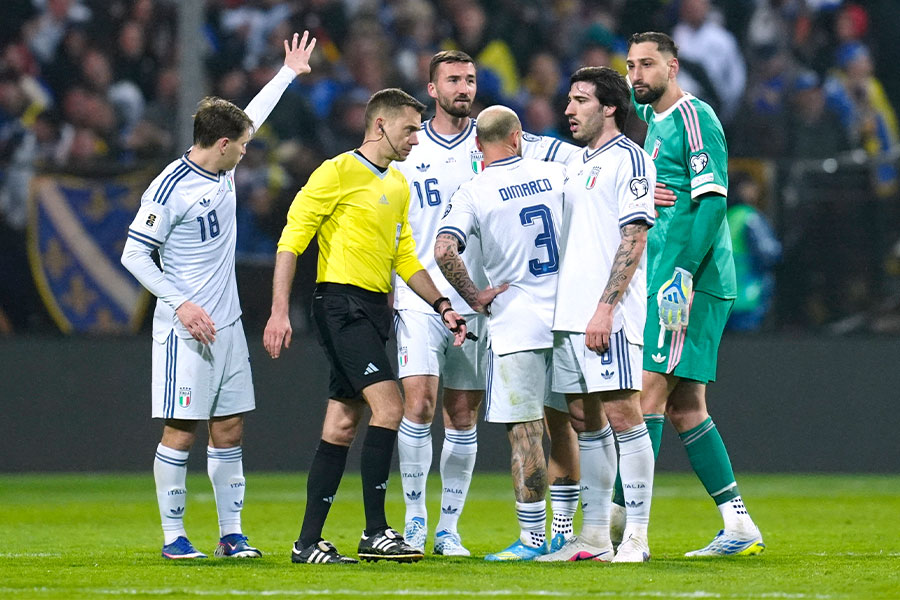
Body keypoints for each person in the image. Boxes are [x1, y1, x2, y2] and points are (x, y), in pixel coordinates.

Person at [120, 32, 317, 560]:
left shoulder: (222, 163)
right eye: (244, 146)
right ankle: (173, 537)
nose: (248, 152)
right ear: (223, 144)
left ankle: (232, 533)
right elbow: (134, 255)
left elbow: (251, 114)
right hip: (187, 328)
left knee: (228, 428)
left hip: (227, 325)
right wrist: (180, 304)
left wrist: (287, 73)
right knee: (181, 430)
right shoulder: (168, 188)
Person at [262, 88, 468, 565]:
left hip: (376, 309)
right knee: (391, 406)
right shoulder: (335, 172)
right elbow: (291, 242)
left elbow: (404, 257)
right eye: (410, 129)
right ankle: (376, 531)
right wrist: (277, 310)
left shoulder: (397, 184)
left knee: (342, 422)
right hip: (340, 304)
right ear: (380, 126)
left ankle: (307, 542)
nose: (417, 138)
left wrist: (441, 303)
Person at [392, 50, 578, 557]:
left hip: (481, 302)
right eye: (453, 79)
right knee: (420, 402)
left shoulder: (491, 140)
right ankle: (413, 521)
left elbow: (572, 156)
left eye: (471, 79)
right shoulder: (408, 145)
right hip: (419, 292)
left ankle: (448, 529)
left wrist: (640, 177)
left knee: (462, 414)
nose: (464, 87)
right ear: (432, 88)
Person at [613, 31, 764, 557]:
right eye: (631, 66)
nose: (637, 76)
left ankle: (627, 529)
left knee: (646, 399)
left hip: (690, 283)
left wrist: (681, 273)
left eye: (648, 65)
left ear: (673, 67)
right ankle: (738, 524)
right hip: (670, 281)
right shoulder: (652, 122)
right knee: (685, 408)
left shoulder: (695, 118)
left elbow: (712, 202)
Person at [434, 105, 565, 561]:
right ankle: (575, 534)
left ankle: (532, 540)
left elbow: (444, 249)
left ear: (477, 145)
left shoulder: (475, 189)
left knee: (526, 433)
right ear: (518, 137)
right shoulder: (555, 174)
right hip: (567, 317)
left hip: (515, 324)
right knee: (577, 425)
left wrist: (473, 295)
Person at [538, 66, 657, 564]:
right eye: (568, 100)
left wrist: (605, 308)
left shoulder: (629, 159)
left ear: (609, 107)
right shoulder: (577, 163)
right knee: (586, 421)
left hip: (608, 315)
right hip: (569, 315)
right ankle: (593, 537)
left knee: (624, 415)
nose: (569, 109)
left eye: (580, 100)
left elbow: (634, 237)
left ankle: (636, 536)